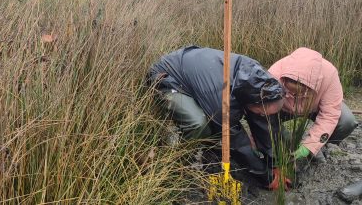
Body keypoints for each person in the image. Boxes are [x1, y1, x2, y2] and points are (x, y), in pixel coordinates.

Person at [147, 45, 285, 189]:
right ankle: (174, 163)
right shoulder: (221, 100)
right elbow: (237, 142)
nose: (262, 116)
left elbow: (263, 124)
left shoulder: (261, 83)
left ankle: (205, 142)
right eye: (261, 112)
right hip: (167, 76)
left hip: (198, 73)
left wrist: (274, 163)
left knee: (225, 122)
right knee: (199, 124)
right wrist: (267, 178)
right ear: (252, 102)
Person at [268, 47, 358, 161]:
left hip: (314, 108)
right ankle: (285, 145)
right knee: (269, 125)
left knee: (347, 121)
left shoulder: (329, 75)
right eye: (290, 91)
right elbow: (262, 113)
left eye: (298, 92)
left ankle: (321, 147)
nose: (294, 95)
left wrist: (311, 145)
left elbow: (330, 114)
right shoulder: (274, 74)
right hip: (282, 109)